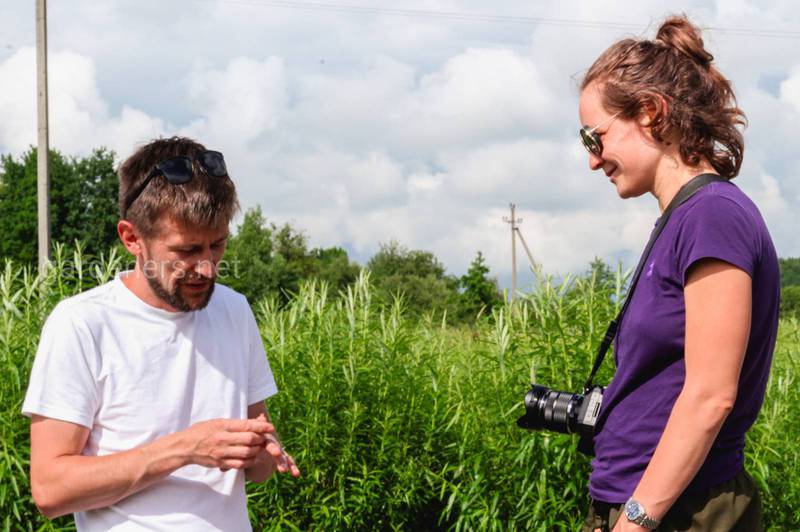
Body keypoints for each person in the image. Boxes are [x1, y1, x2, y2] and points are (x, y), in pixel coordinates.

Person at [23, 136, 300, 531]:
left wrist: (260, 453)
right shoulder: (82, 324)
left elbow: (257, 469)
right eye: (186, 251)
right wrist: (186, 448)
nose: (206, 268)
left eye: (217, 245)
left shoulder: (234, 311)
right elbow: (50, 491)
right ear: (132, 238)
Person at [576, 16, 780, 532]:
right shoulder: (685, 219)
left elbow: (711, 396)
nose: (593, 161)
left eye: (594, 137)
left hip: (682, 512)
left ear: (651, 113)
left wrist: (635, 521)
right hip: (650, 507)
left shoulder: (713, 217)